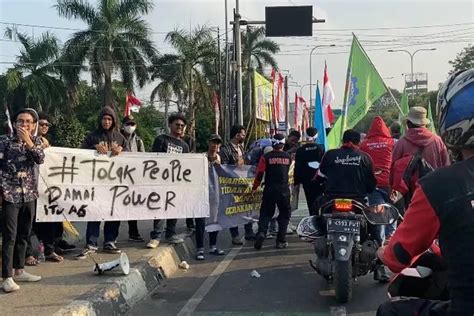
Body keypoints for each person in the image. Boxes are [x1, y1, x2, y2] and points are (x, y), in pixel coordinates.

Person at [377, 68, 474, 316]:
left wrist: (383, 250)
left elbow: (397, 257)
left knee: (389, 311)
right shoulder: (437, 143)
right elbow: (445, 163)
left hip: (422, 203)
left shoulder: (438, 181)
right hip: (440, 206)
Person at [1, 108, 44, 292]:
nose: (23, 124)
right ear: (15, 123)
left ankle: (20, 270)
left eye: (27, 122)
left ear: (33, 125)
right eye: (20, 121)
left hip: (29, 195)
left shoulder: (36, 141)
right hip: (9, 194)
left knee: (24, 234)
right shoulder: (4, 141)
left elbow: (39, 158)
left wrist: (28, 142)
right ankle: (7, 276)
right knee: (10, 235)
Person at [76, 106, 128, 259]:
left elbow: (131, 159)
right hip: (96, 183)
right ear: (100, 120)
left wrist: (121, 151)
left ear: (113, 121)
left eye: (109, 119)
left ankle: (110, 241)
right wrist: (93, 148)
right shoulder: (92, 136)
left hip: (115, 183)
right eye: (104, 119)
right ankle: (91, 243)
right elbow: (80, 155)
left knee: (113, 212)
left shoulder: (120, 137)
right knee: (94, 212)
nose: (106, 122)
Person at [33, 113, 76, 263]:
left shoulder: (46, 141)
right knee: (37, 222)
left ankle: (53, 246)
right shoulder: (29, 141)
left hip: (48, 186)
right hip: (32, 187)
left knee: (52, 218)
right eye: (42, 124)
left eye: (47, 125)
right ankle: (39, 250)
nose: (44, 127)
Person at [146, 113, 188, 249]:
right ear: (170, 125)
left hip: (177, 182)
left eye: (182, 125)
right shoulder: (161, 139)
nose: (180, 127)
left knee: (173, 209)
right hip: (161, 182)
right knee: (160, 208)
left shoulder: (185, 146)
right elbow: (154, 159)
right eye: (177, 124)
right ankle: (156, 237)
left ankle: (170, 234)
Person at [253, 134, 292, 250]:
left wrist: (254, 188)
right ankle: (281, 240)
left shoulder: (266, 157)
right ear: (283, 144)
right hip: (284, 190)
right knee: (285, 214)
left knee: (265, 213)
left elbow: (259, 174)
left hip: (269, 189)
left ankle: (261, 232)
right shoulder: (288, 157)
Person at [359, 116, 395, 242]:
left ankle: (380, 240)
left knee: (378, 212)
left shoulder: (363, 145)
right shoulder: (393, 143)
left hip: (374, 184)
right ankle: (391, 236)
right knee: (391, 210)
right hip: (391, 182)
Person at [220, 125, 256, 245]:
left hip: (244, 182)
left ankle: (249, 232)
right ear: (236, 135)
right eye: (243, 134)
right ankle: (235, 236)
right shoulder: (225, 149)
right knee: (233, 210)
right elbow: (224, 167)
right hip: (232, 184)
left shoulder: (241, 147)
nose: (244, 136)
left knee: (247, 208)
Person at [195, 134, 225, 260]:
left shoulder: (219, 157)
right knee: (200, 222)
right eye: (213, 142)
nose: (215, 145)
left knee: (214, 221)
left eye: (218, 143)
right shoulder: (201, 157)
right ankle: (200, 249)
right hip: (201, 194)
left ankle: (213, 246)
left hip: (215, 193)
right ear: (209, 143)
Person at [120, 115, 146, 242]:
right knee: (116, 205)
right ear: (122, 125)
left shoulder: (138, 141)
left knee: (132, 205)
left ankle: (133, 233)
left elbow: (143, 158)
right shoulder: (116, 138)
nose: (130, 126)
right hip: (117, 176)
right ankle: (111, 237)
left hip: (133, 177)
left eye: (132, 124)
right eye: (128, 124)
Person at [294, 127, 325, 215]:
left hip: (306, 180)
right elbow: (324, 164)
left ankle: (312, 216)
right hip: (320, 179)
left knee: (310, 200)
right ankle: (319, 215)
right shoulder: (321, 148)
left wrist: (297, 182)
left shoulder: (301, 150)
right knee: (319, 199)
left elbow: (298, 167)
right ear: (316, 136)